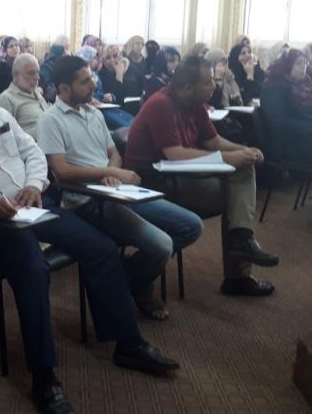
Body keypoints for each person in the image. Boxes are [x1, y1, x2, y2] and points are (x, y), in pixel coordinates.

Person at [0, 58, 180, 414]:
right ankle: (44, 376)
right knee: (34, 270)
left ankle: (128, 342)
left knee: (101, 248)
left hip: (32, 205)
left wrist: (33, 184)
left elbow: (33, 154)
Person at [37, 55, 202, 320]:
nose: (93, 85)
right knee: (162, 245)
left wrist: (112, 172)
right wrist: (109, 172)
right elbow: (61, 171)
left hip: (116, 191)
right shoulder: (50, 120)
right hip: (88, 201)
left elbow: (114, 154)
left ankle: (126, 276)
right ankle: (139, 285)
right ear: (63, 89)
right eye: (85, 81)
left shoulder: (93, 112)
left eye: (92, 77)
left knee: (191, 225)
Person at [125, 55, 279, 296]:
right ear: (188, 87)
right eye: (207, 82)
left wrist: (243, 150)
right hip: (154, 182)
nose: (213, 86)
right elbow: (175, 154)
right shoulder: (161, 104)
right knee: (236, 199)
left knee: (242, 172)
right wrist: (231, 158)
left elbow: (213, 141)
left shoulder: (195, 104)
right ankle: (238, 267)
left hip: (182, 176)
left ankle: (241, 241)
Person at [260, 49, 312, 232]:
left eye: (305, 63)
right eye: (298, 63)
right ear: (287, 66)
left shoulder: (305, 86)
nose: (303, 67)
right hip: (286, 145)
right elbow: (280, 123)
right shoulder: (275, 88)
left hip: (304, 139)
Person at [0, 53, 50, 139]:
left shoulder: (36, 93)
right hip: (33, 145)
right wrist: (27, 135)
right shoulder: (6, 99)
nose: (37, 77)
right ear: (16, 75)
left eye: (37, 72)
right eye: (31, 73)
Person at [0, 36, 20, 103]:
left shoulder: (22, 62)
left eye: (17, 45)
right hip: (4, 100)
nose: (15, 48)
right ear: (4, 49)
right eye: (11, 46)